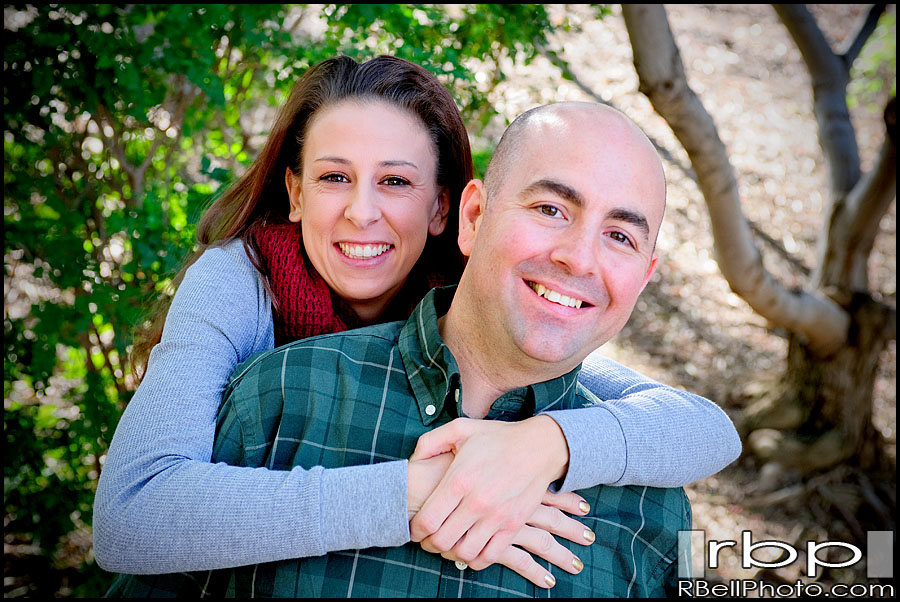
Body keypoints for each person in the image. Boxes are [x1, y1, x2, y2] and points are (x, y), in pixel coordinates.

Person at [93, 55, 740, 584]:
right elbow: (133, 516)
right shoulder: (244, 293)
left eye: (396, 182)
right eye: (334, 178)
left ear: (448, 211)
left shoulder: (492, 298)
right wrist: (423, 493)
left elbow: (705, 428)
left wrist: (545, 443)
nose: (362, 213)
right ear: (294, 192)